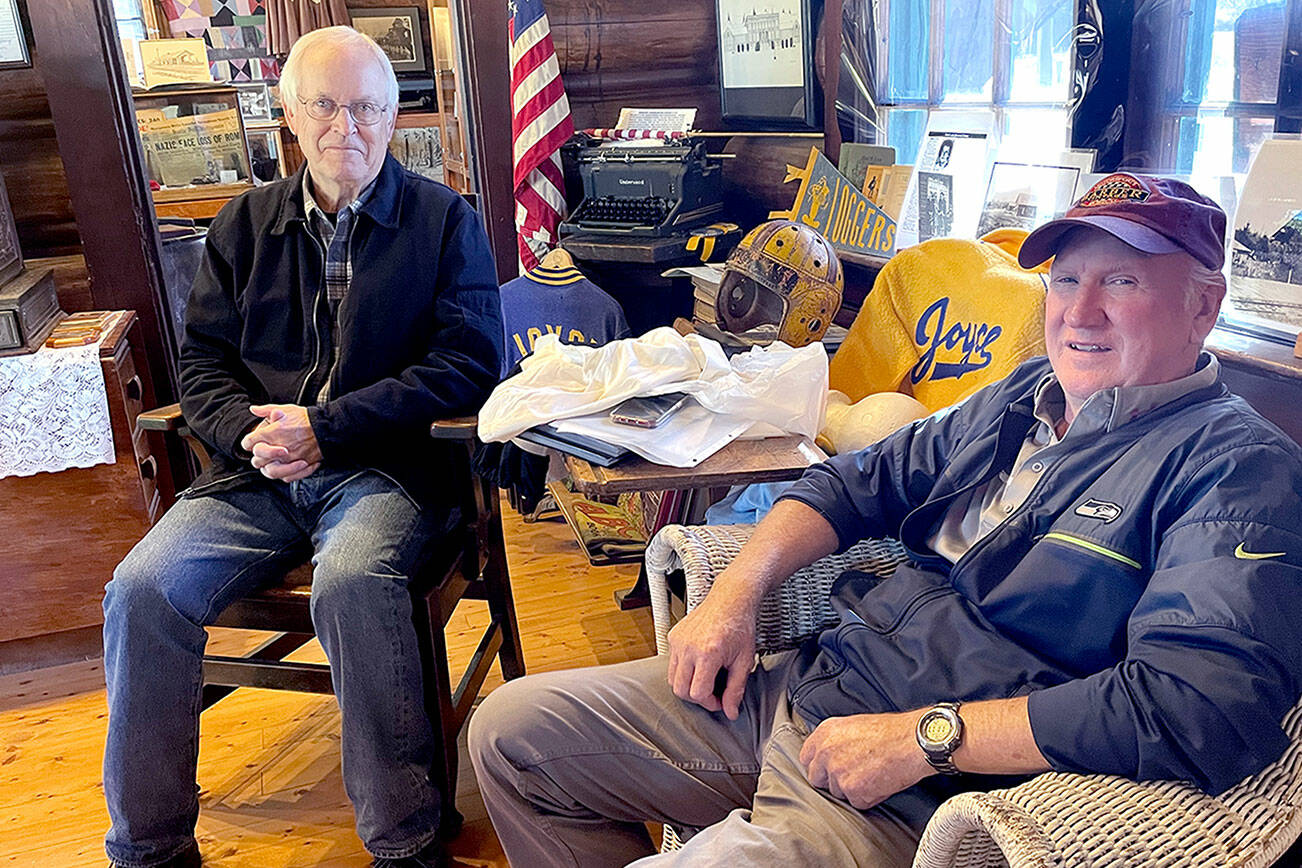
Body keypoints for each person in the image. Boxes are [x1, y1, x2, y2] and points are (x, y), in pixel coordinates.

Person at [469, 173, 1302, 866]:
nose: (1080, 312)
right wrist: (734, 599)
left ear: (1204, 305)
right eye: (1067, 279)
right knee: (510, 737)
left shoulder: (1236, 469)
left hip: (920, 791)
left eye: (1122, 281)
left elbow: (1198, 704)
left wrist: (926, 739)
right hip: (810, 688)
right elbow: (854, 481)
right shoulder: (1023, 396)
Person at [102, 26, 501, 868]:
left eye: (365, 108)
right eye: (324, 105)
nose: (344, 126)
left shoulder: (444, 221)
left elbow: (467, 364)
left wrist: (327, 427)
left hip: (384, 471)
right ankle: (149, 848)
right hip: (254, 476)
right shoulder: (242, 225)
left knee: (352, 582)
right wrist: (252, 434)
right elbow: (202, 365)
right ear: (289, 114)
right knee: (140, 589)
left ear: (393, 118)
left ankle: (405, 840)